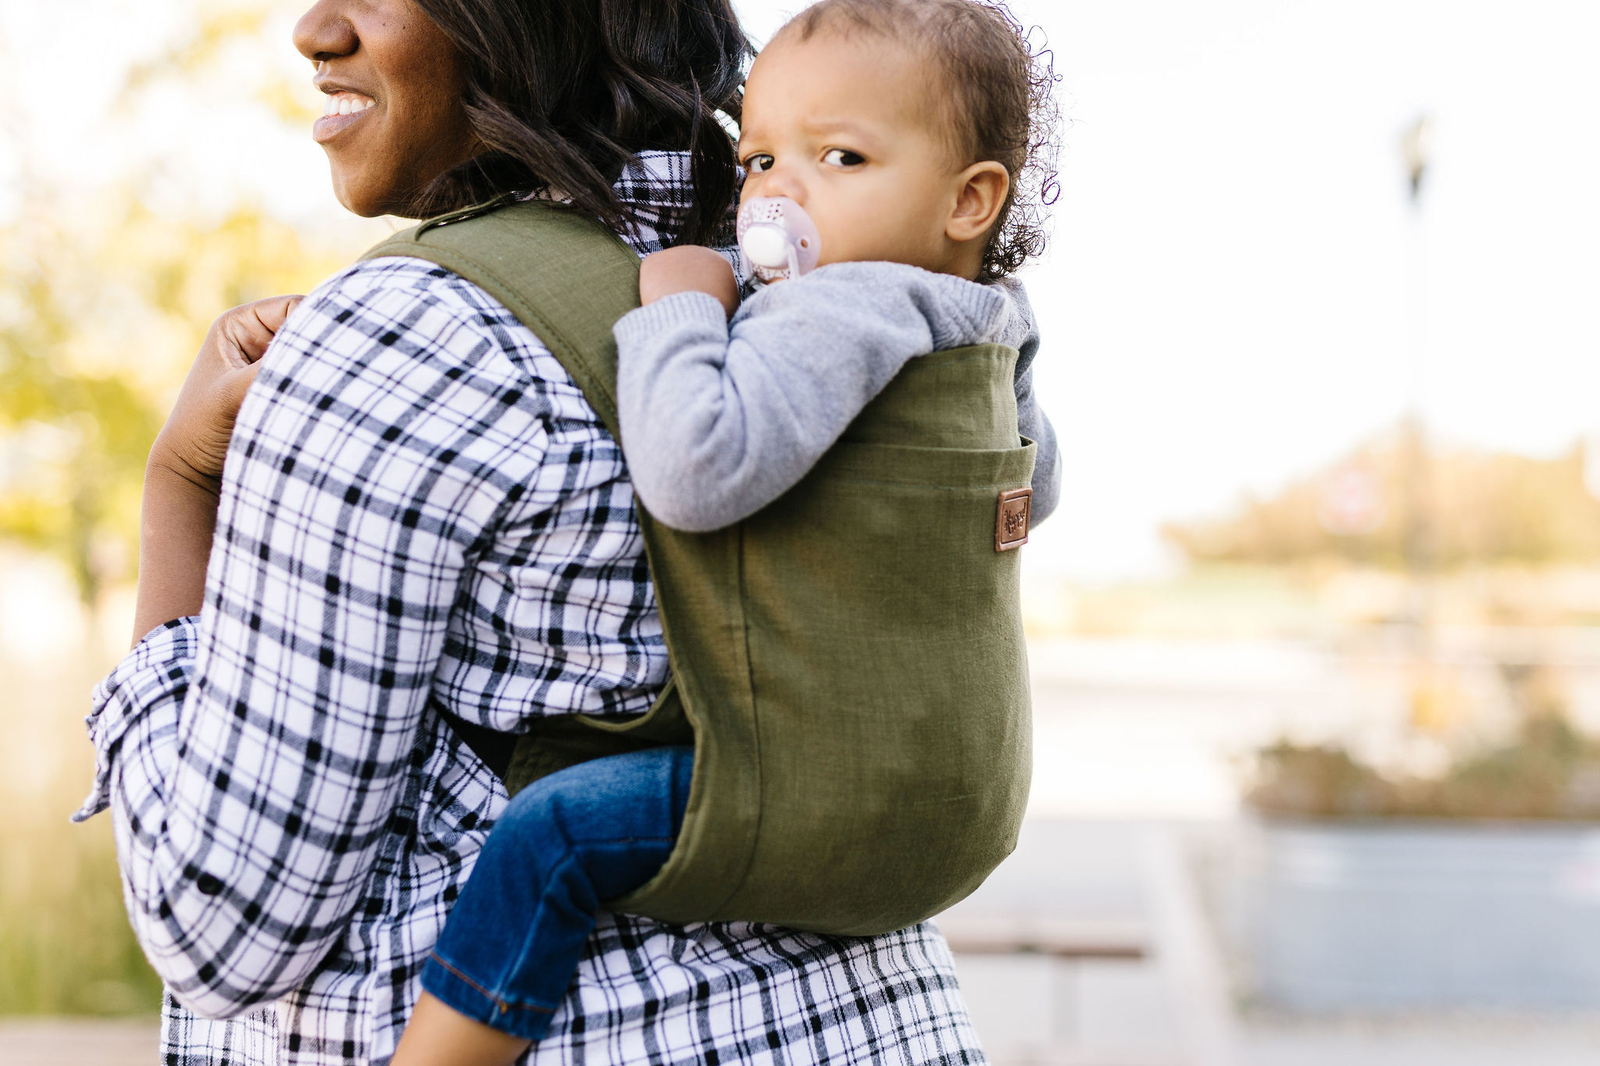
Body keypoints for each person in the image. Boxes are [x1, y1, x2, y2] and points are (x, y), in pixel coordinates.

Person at [72, 1, 1012, 1063]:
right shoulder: (832, 253)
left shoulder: (408, 336)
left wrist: (179, 487)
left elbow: (224, 925)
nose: (314, 27)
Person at [390, 2, 1063, 1064]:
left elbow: (696, 473)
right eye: (755, 160)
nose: (779, 191)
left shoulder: (837, 310)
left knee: (551, 832)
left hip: (808, 783)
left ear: (968, 198)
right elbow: (1033, 487)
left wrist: (680, 310)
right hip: (960, 798)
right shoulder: (993, 323)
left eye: (839, 156)